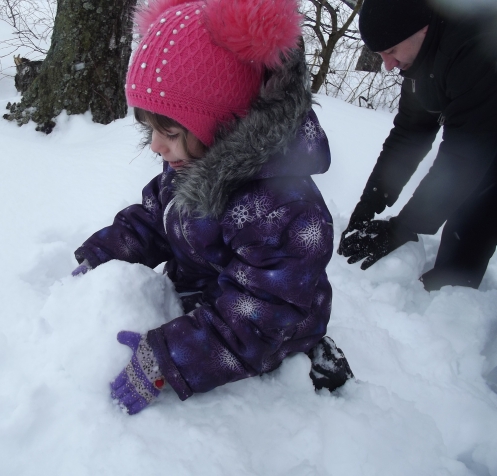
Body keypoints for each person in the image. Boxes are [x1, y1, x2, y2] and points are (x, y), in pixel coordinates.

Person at [72, 0, 352, 415]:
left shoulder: (285, 211)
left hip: (270, 326)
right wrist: (101, 256)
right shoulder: (193, 162)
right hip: (203, 299)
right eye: (149, 128)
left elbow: (257, 318)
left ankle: (312, 352)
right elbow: (155, 219)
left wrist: (172, 357)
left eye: (168, 130)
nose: (155, 145)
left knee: (279, 335)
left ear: (224, 119)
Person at [338, 0, 497, 291]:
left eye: (391, 51)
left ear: (421, 30)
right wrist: (370, 202)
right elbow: (409, 134)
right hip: (482, 131)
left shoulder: (473, 46)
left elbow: (464, 156)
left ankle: (453, 304)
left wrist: (404, 226)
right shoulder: (421, 61)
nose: (388, 64)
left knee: (475, 211)